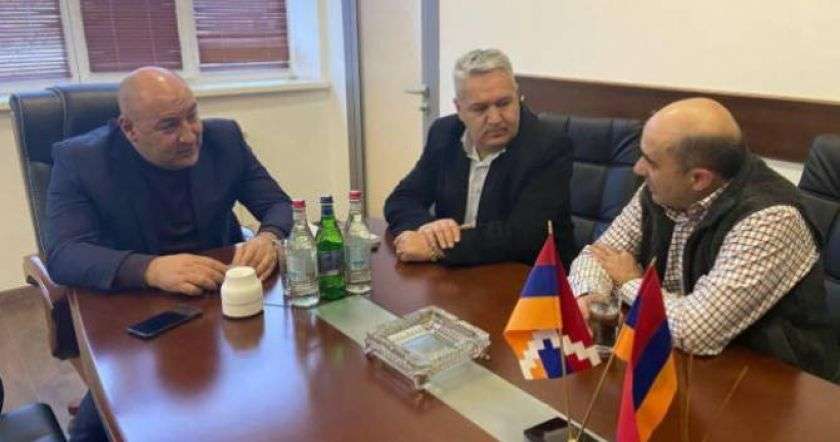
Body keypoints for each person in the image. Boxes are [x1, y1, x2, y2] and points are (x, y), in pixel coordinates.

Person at [45, 67, 293, 441]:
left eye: (192, 115)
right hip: (137, 311)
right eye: (169, 126)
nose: (189, 135)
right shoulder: (82, 161)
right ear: (129, 129)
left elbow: (277, 204)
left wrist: (269, 237)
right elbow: (64, 253)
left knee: (265, 403)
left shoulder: (224, 139)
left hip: (221, 301)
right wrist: (151, 269)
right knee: (104, 430)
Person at [569, 97, 838, 380]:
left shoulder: (772, 219)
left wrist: (629, 282)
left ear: (698, 179)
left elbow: (695, 332)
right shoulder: (661, 189)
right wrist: (592, 297)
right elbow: (597, 255)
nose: (637, 168)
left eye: (650, 162)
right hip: (681, 362)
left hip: (772, 382)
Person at [384, 49, 576, 267]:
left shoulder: (548, 146)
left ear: (518, 96)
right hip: (457, 275)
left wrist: (437, 246)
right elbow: (402, 199)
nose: (495, 118)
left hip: (530, 277)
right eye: (480, 108)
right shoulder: (444, 133)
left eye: (504, 103)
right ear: (459, 109)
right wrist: (428, 230)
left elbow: (525, 236)